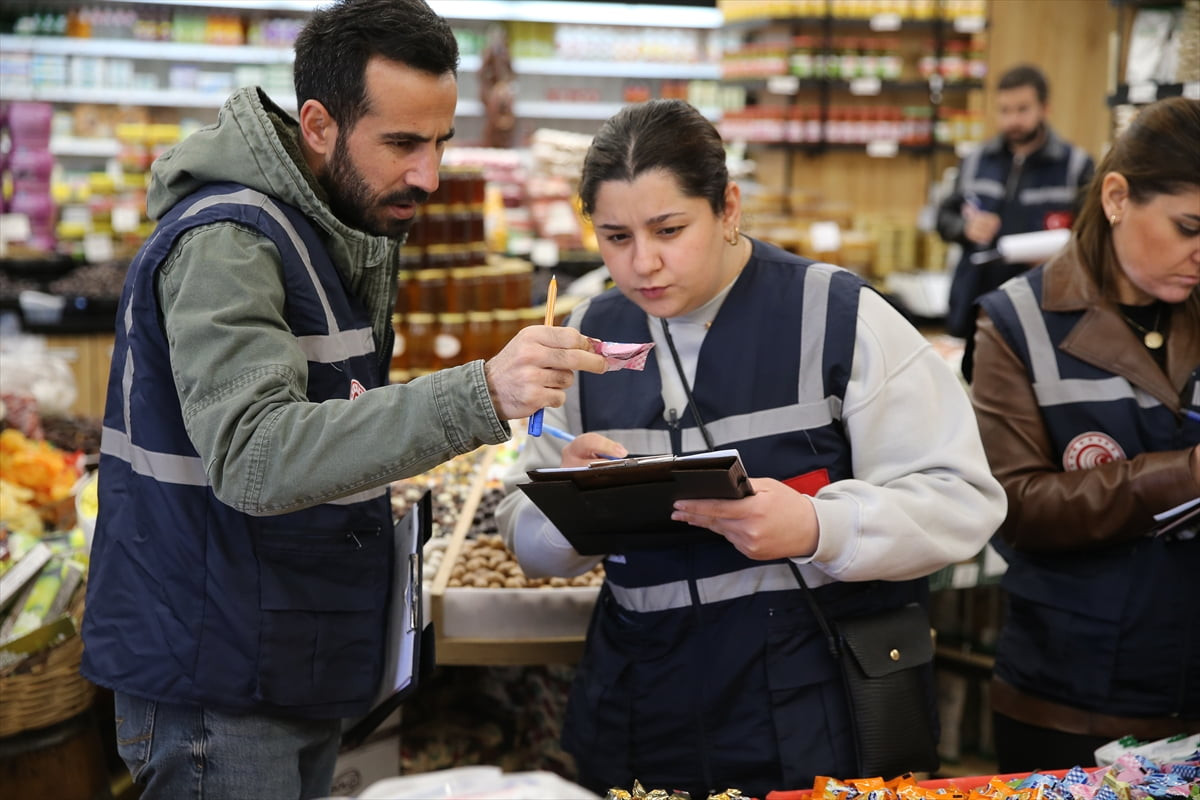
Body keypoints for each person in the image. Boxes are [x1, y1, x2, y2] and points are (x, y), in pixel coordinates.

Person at [79, 1, 606, 797]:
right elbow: (255, 456)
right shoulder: (230, 244)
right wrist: (482, 391)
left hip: (278, 650)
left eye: (440, 142)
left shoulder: (322, 228)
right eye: (402, 143)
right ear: (319, 126)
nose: (429, 175)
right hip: (217, 678)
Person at [494, 98, 1008, 798]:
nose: (643, 262)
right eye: (615, 237)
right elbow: (524, 534)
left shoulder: (838, 316)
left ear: (728, 208)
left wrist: (820, 526)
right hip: (643, 713)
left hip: (813, 707)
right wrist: (569, 508)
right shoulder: (582, 340)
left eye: (669, 229)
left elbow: (961, 499)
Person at [969, 96, 1200, 772]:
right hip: (1073, 695)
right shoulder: (1017, 322)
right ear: (1118, 197)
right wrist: (1186, 476)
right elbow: (1015, 505)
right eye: (1189, 227)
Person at [937, 64, 1095, 379]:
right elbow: (944, 218)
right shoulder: (975, 160)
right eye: (1005, 110)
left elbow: (1093, 235)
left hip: (1044, 309)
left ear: (1044, 108)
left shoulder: (1075, 166)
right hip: (974, 305)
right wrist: (965, 228)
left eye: (1022, 109)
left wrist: (1060, 254)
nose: (1013, 120)